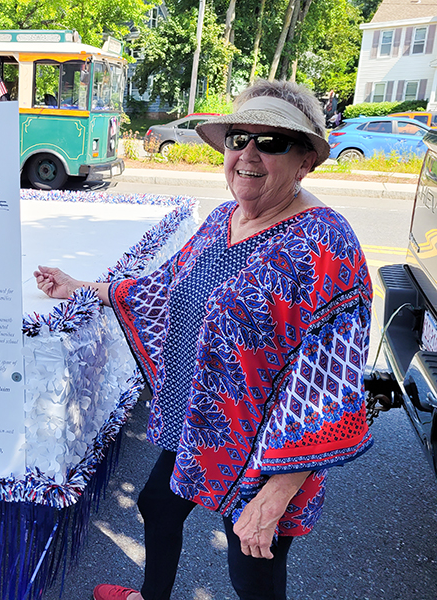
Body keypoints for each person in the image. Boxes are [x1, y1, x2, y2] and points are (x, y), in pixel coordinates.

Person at [34, 79, 373, 600]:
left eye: (272, 142)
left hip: (269, 452)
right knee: (158, 503)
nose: (248, 154)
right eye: (239, 138)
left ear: (306, 161)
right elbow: (166, 288)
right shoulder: (224, 218)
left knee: (253, 574)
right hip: (205, 421)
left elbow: (329, 384)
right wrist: (83, 289)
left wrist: (279, 492)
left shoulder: (327, 244)